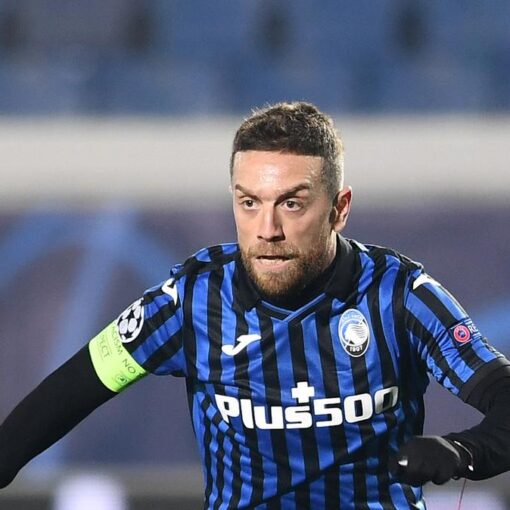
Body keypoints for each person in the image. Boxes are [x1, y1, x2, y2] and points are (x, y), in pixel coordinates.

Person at [1, 101, 510, 509]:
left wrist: (464, 451)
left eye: (291, 203)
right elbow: (70, 391)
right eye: (250, 203)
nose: (267, 230)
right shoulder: (193, 301)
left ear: (339, 209)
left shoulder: (399, 295)